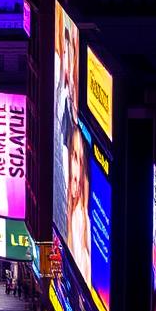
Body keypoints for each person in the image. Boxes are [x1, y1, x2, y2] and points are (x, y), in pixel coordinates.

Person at [67, 119, 93, 288]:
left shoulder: (86, 224)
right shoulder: (69, 212)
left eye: (80, 160)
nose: (75, 172)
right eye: (74, 157)